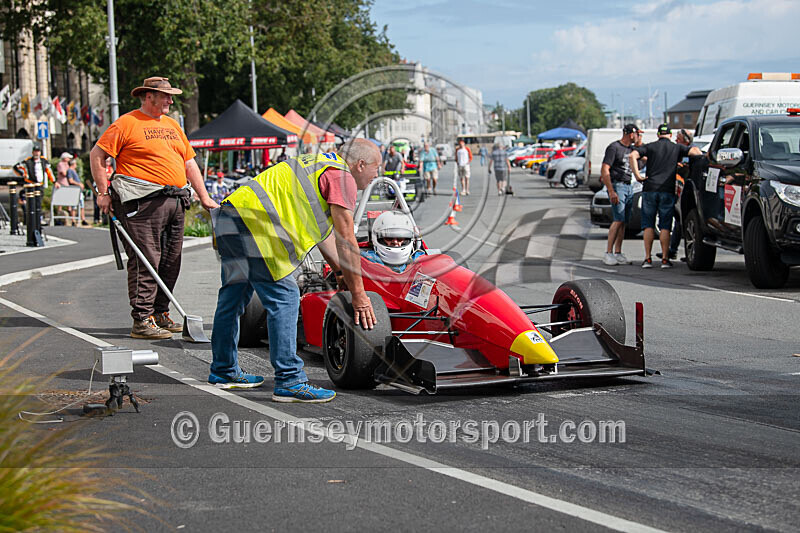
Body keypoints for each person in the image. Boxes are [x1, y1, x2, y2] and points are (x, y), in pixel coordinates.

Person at [209, 139, 381, 402]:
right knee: (285, 298)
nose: (376, 175)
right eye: (376, 168)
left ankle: (223, 370)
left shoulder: (319, 164)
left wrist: (339, 272)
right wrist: (359, 296)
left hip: (231, 216)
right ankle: (289, 380)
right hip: (258, 227)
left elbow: (324, 235)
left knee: (233, 299)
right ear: (360, 165)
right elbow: (347, 241)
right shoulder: (342, 177)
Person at [90, 76, 218, 339]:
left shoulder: (173, 125)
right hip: (142, 201)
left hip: (175, 199)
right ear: (149, 97)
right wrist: (103, 192)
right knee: (146, 258)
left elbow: (189, 163)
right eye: (166, 96)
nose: (171, 100)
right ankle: (142, 319)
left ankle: (160, 312)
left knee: (171, 260)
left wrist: (204, 197)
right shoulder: (127, 123)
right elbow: (97, 155)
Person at [630, 123, 702, 268]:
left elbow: (633, 155)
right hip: (667, 189)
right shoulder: (676, 148)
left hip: (649, 188)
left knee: (648, 225)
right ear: (670, 135)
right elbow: (694, 151)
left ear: (658, 135)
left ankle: (647, 259)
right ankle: (664, 259)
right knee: (665, 226)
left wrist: (637, 175)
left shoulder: (650, 147)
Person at [600, 124, 641, 265]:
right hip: (618, 185)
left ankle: (618, 252)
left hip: (629, 185)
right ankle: (608, 252)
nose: (638, 137)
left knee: (623, 221)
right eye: (637, 134)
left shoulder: (632, 150)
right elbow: (605, 169)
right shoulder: (614, 148)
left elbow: (640, 164)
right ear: (631, 134)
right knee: (617, 219)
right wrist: (611, 190)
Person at [659, 129, 693, 261]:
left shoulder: (690, 151)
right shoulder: (679, 151)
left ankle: (676, 251)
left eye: (678, 139)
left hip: (688, 192)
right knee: (679, 222)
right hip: (678, 190)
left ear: (686, 140)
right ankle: (673, 250)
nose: (676, 141)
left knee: (683, 222)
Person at [66, 158, 88, 225]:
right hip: (74, 190)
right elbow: (70, 180)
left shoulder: (73, 171)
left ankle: (82, 219)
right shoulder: (70, 170)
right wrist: (79, 184)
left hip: (78, 190)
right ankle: (73, 220)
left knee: (81, 205)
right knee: (74, 205)